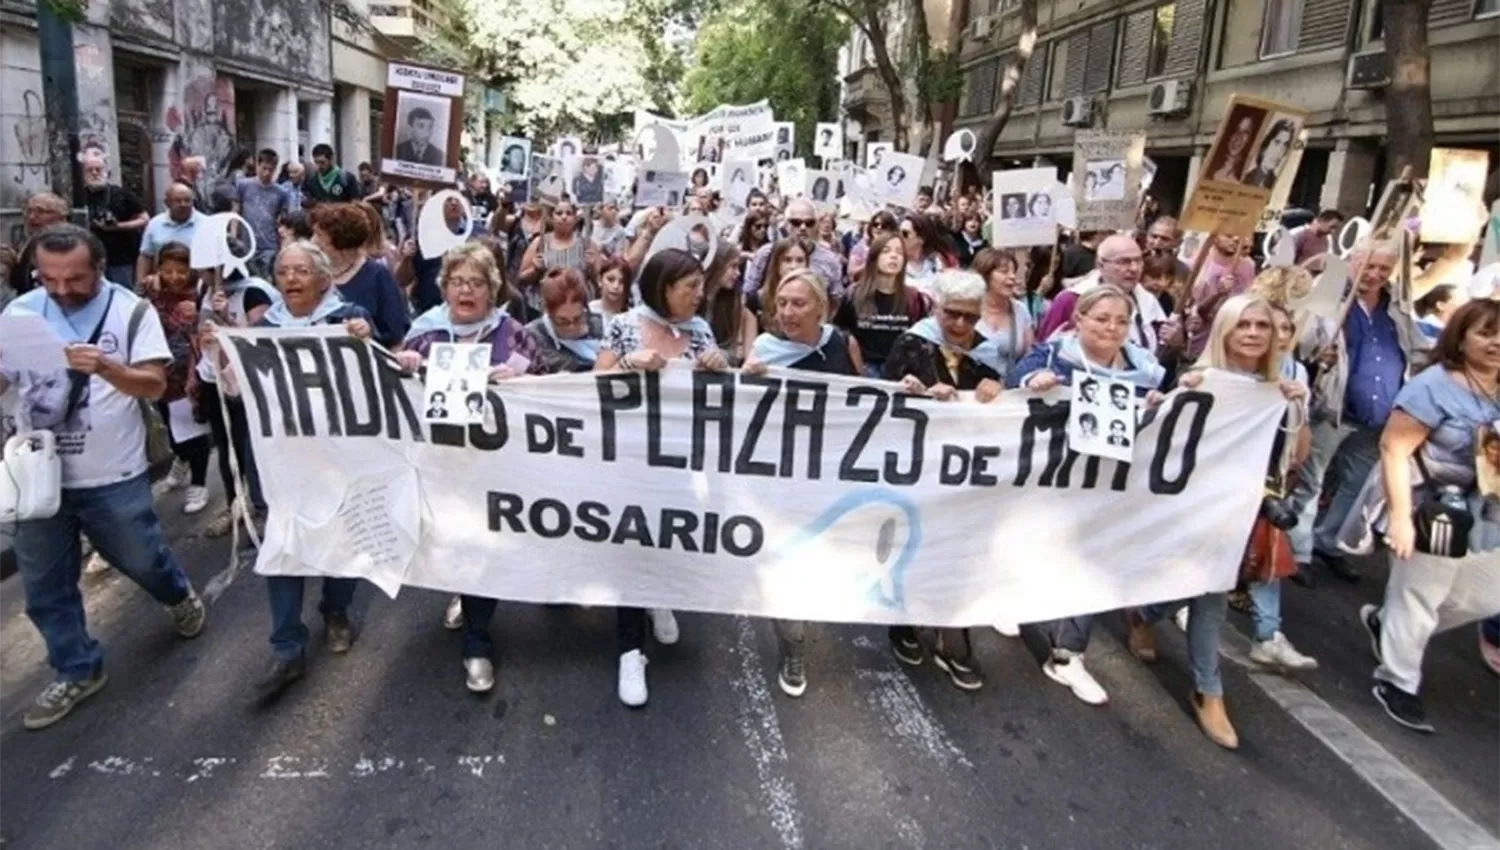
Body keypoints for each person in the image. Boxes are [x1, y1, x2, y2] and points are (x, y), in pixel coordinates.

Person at [0, 224, 207, 729]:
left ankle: (176, 593)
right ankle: (76, 668)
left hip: (111, 473)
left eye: (74, 279)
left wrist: (108, 369)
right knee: (45, 585)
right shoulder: (19, 312)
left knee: (141, 558)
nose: (62, 290)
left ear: (98, 268)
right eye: (49, 279)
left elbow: (156, 385)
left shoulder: (130, 311)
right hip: (35, 477)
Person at [1007, 285, 1166, 705]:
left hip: (1110, 485)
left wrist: (1159, 405)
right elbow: (1012, 382)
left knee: (1092, 559)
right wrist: (1031, 381)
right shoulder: (1053, 355)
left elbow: (1168, 417)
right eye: (1101, 318)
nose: (1111, 328)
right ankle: (1011, 598)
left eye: (1121, 321)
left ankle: (1067, 655)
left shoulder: (1146, 369)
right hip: (1051, 481)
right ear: (1079, 320)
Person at [397, 243, 547, 687]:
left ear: (492, 290)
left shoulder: (514, 333)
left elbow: (549, 390)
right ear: (444, 288)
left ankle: (477, 643)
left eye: (476, 283)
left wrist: (522, 381)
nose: (466, 290)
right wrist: (402, 367)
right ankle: (462, 591)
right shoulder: (424, 334)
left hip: (495, 469)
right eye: (458, 282)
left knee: (484, 546)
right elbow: (393, 389)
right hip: (441, 468)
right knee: (452, 542)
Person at [1352, 299, 1500, 732]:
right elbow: (1394, 449)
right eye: (1485, 333)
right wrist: (1400, 516)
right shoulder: (1434, 386)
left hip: (1487, 511)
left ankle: (1388, 625)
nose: (1496, 343)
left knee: (1486, 593)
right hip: (1431, 505)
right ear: (1461, 336)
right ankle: (1397, 682)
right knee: (1418, 595)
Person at [595, 249, 728, 707]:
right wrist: (629, 364)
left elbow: (718, 396)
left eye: (699, 286)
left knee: (669, 535)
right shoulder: (625, 325)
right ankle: (630, 650)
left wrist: (718, 365)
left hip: (681, 459)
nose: (699, 295)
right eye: (689, 287)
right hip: (630, 459)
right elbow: (595, 380)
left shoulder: (701, 331)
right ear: (661, 288)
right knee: (632, 546)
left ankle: (659, 597)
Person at [245, 240, 375, 698]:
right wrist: (221, 352)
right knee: (285, 545)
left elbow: (378, 376)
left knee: (342, 535)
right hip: (284, 457)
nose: (292, 279)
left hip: (340, 454)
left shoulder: (349, 316)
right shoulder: (261, 326)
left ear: (324, 278)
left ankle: (335, 609)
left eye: (302, 271)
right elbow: (237, 389)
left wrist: (366, 338)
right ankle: (286, 650)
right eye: (284, 272)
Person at [742, 269, 861, 696]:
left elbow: (864, 400)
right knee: (787, 559)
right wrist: (745, 382)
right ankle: (793, 642)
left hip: (830, 474)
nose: (788, 312)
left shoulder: (840, 344)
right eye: (783, 303)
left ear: (821, 308)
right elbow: (742, 417)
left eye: (799, 303)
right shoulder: (764, 351)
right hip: (781, 476)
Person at [882, 270, 1003, 690]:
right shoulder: (913, 342)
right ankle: (906, 623)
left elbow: (1009, 411)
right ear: (936, 308)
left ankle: (954, 634)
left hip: (965, 468)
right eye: (952, 315)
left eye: (970, 318)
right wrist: (913, 390)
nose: (960, 326)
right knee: (914, 545)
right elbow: (884, 397)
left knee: (959, 549)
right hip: (917, 464)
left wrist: (997, 389)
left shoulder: (989, 353)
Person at [1291, 240, 1409, 583]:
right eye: (1368, 265)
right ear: (1353, 262)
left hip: (1380, 413)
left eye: (1383, 269)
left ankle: (1328, 542)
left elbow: (1412, 348)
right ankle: (1299, 549)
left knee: (1356, 485)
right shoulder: (1330, 296)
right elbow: (1301, 339)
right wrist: (1318, 353)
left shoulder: (1397, 307)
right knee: (1312, 480)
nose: (1374, 274)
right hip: (1335, 406)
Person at [143, 244, 213, 515]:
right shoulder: (149, 291)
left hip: (189, 369)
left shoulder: (200, 292)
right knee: (170, 428)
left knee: (192, 430)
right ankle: (180, 459)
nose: (175, 277)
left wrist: (195, 375)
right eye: (168, 270)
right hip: (159, 370)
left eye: (181, 271)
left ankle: (199, 482)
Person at [1037, 234, 1164, 353]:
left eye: (1138, 261)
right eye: (1124, 262)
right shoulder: (1071, 300)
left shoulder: (1148, 301)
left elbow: (1159, 350)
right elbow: (1044, 351)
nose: (1134, 268)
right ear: (1100, 264)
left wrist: (1175, 341)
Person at [309, 203, 410, 347]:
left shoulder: (378, 276)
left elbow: (396, 336)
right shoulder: (310, 274)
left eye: (319, 235)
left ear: (341, 242)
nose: (312, 241)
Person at [835, 231, 927, 377]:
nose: (894, 256)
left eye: (899, 252)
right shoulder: (853, 294)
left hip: (900, 373)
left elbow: (922, 338)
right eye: (886, 251)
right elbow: (840, 333)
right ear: (874, 257)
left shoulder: (914, 298)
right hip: (862, 371)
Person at [743, 199, 845, 298]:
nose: (803, 227)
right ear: (785, 224)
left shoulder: (830, 260)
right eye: (796, 222)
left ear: (817, 225)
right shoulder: (766, 253)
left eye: (809, 223)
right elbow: (749, 294)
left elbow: (836, 299)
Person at [80, 152, 148, 288]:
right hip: (89, 258)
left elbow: (144, 218)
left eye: (98, 169)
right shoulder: (79, 197)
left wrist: (119, 226)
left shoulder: (121, 194)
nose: (94, 173)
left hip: (120, 258)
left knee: (123, 294)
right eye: (89, 170)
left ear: (107, 172)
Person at [1184, 234, 1256, 359]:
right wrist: (1218, 293)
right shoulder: (1195, 264)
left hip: (1229, 348)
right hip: (1197, 346)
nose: (1236, 238)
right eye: (1228, 235)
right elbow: (1194, 310)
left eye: (1239, 234)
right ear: (1215, 235)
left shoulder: (1248, 266)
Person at [525, 267, 606, 374]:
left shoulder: (602, 326)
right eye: (562, 321)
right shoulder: (533, 336)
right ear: (548, 312)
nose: (571, 327)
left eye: (578, 318)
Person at [971, 249, 1034, 378]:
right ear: (985, 275)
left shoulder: (1021, 310)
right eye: (1004, 271)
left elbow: (1030, 355)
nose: (1012, 276)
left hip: (1008, 391)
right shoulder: (967, 308)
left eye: (1013, 272)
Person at [234, 149, 292, 276]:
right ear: (257, 165)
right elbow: (235, 213)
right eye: (264, 168)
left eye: (271, 170)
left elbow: (283, 221)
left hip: (269, 245)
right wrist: (234, 237)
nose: (266, 173)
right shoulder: (243, 186)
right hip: (246, 243)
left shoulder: (281, 193)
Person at [4, 192, 71, 300]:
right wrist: (12, 265)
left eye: (41, 211)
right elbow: (20, 284)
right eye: (29, 211)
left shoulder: (67, 245)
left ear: (61, 217)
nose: (32, 217)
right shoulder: (32, 242)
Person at [136, 182, 204, 284]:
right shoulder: (155, 224)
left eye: (187, 200)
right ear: (167, 203)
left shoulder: (206, 224)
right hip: (163, 284)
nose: (183, 204)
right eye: (178, 201)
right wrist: (141, 281)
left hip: (196, 285)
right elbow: (146, 255)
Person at [701, 242, 757, 365]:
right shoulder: (692, 301)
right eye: (733, 266)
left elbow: (734, 353)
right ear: (716, 266)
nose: (738, 273)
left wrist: (721, 356)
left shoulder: (733, 305)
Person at [520, 198, 591, 281]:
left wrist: (592, 266)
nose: (564, 217)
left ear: (575, 218)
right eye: (559, 213)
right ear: (551, 218)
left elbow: (598, 280)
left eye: (569, 213)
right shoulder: (540, 243)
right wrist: (535, 269)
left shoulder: (586, 244)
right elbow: (521, 277)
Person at [749, 237, 812, 331]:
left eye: (800, 260)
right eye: (787, 260)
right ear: (776, 264)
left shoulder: (815, 299)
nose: (793, 266)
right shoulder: (757, 300)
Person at [901, 212, 958, 297]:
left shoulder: (942, 263)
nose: (899, 237)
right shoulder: (894, 263)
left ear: (921, 238)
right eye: (897, 232)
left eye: (905, 234)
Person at [1241, 119, 1297, 188]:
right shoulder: (1245, 179)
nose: (1279, 151)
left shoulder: (1278, 185)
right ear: (1265, 147)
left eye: (1284, 145)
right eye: (1277, 142)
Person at [1210, 115, 1258, 182]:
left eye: (1246, 132)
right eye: (1237, 130)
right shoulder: (1212, 166)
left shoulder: (1249, 173)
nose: (1239, 137)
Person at [591, 255, 631, 322]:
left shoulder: (632, 317)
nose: (616, 286)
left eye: (622, 282)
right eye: (610, 279)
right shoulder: (590, 311)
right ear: (599, 280)